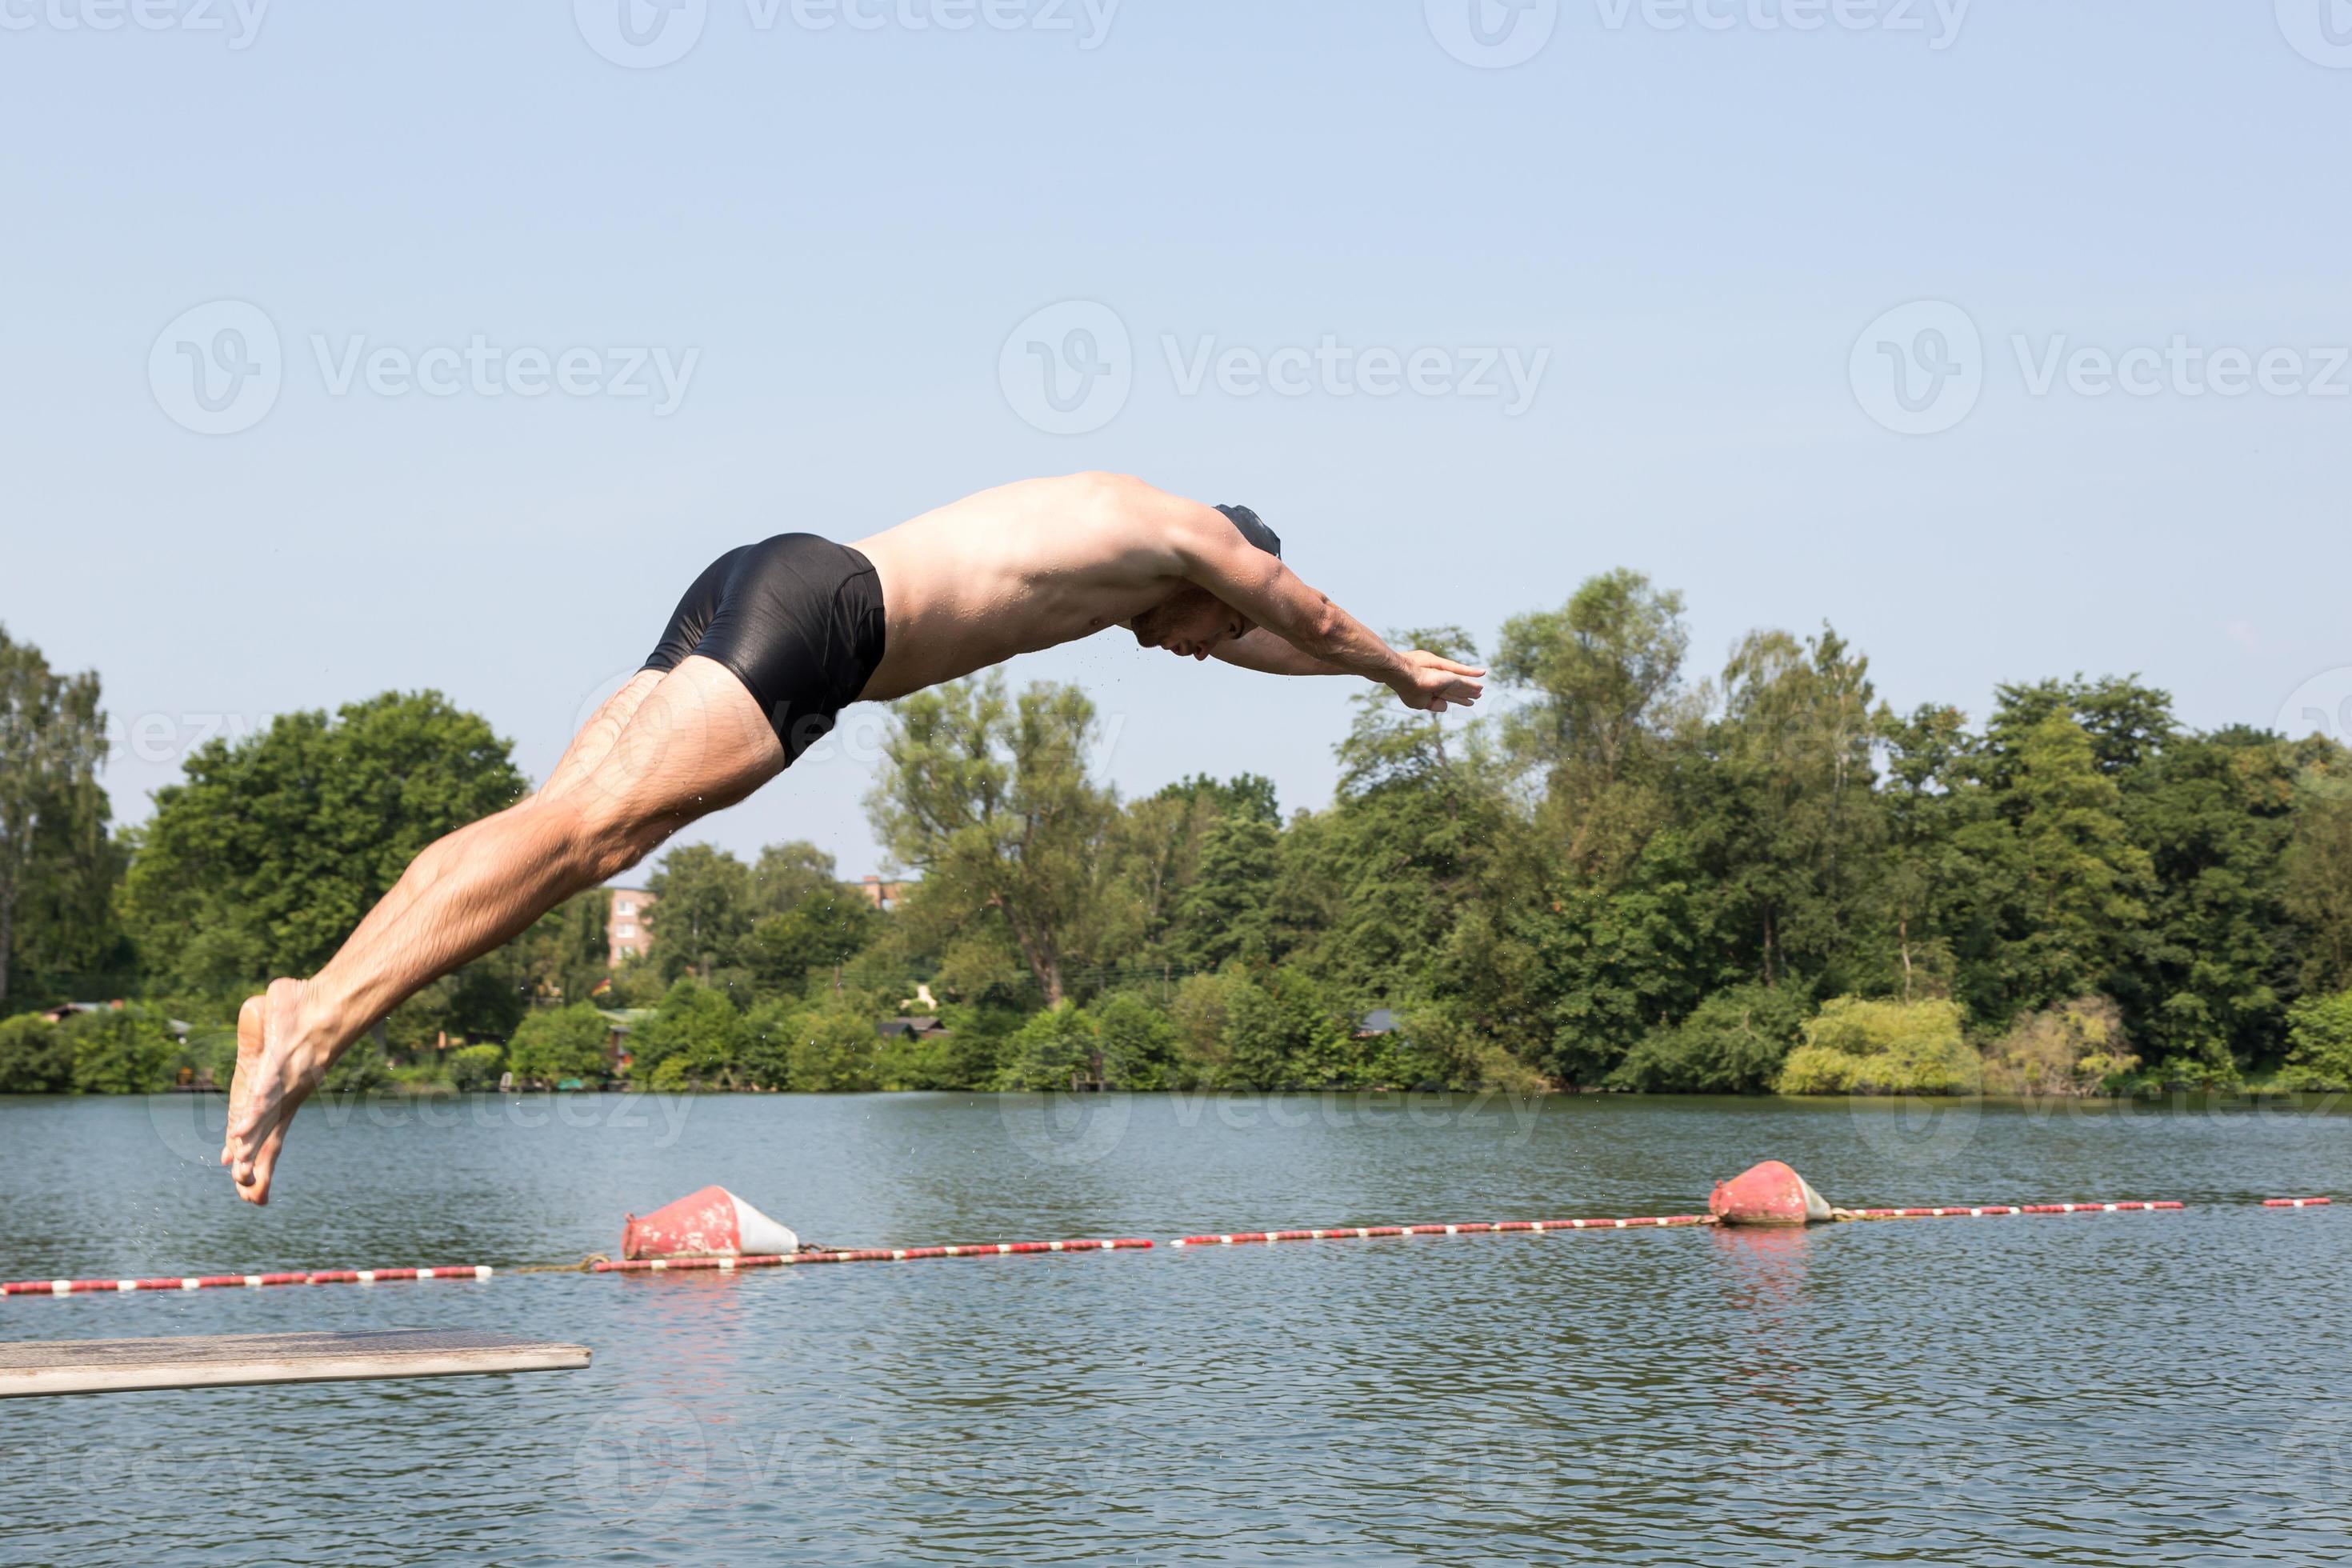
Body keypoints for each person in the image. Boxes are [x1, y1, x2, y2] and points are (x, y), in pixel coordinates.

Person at [221, 472, 1486, 1202]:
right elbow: (1302, 612)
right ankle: (317, 1024)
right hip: (824, 626)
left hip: (767, 581)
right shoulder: (1188, 532)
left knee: (571, 834)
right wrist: (1397, 670)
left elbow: (1276, 643)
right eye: (1212, 627)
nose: (1199, 651)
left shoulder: (1134, 563)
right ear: (1225, 574)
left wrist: (1363, 676)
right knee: (584, 836)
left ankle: (305, 997)